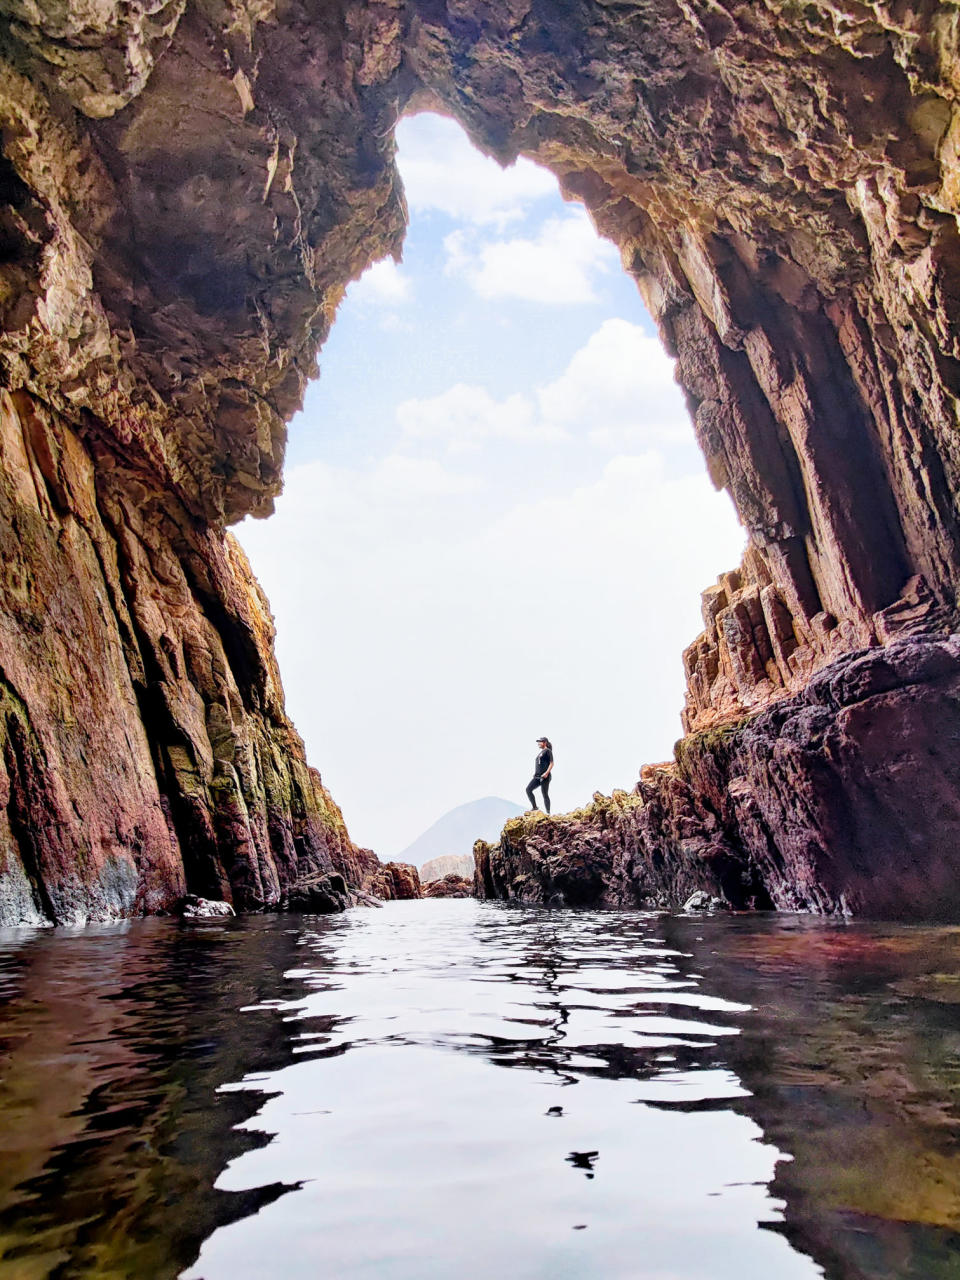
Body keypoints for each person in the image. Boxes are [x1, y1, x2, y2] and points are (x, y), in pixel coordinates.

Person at [526, 737, 553, 814]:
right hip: (537, 777)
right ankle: (534, 807)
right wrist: (535, 773)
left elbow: (551, 763)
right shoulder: (540, 753)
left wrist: (546, 773)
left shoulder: (548, 751)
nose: (538, 743)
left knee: (544, 794)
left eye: (540, 742)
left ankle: (548, 813)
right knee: (528, 789)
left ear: (545, 742)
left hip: (545, 777)